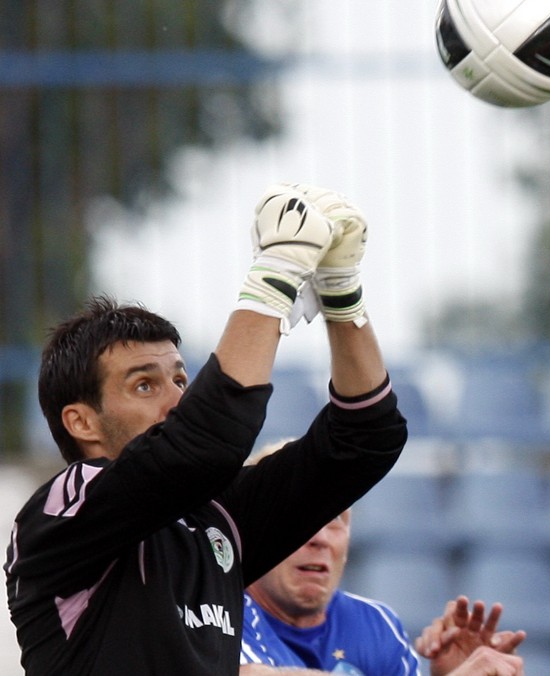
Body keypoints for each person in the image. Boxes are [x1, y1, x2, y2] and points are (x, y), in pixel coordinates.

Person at [4, 183, 407, 675]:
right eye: (145, 386)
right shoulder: (65, 511)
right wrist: (275, 275)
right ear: (81, 421)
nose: (178, 399)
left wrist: (342, 293)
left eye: (180, 378)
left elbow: (365, 440)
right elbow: (206, 441)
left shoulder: (219, 518)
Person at [238, 447, 526, 676]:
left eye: (336, 519)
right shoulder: (221, 614)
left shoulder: (377, 625)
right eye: (298, 517)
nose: (320, 538)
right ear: (252, 528)